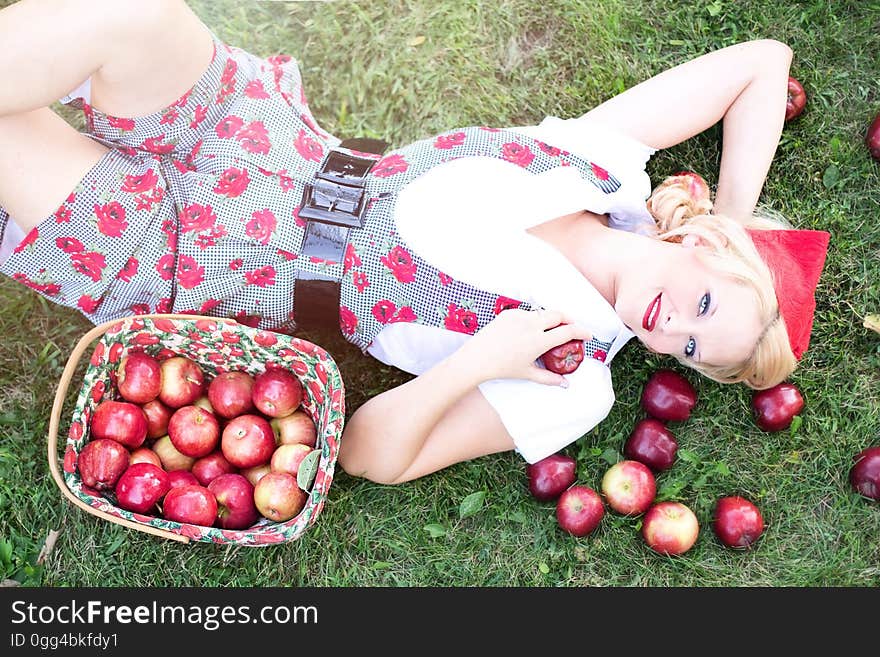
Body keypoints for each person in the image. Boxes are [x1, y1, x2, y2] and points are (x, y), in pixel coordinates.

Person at [0, 0, 828, 486]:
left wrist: (482, 360)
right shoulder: (602, 164)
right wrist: (736, 215)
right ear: (707, 247)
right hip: (259, 135)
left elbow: (367, 456)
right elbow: (761, 63)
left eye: (685, 346)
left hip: (201, 255)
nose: (670, 324)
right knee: (127, 11)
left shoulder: (573, 380)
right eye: (706, 301)